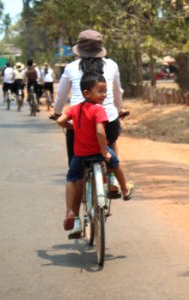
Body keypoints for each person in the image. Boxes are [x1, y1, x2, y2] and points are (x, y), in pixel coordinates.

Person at [55, 72, 134, 235]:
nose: (104, 95)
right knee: (116, 162)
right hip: (98, 152)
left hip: (80, 155)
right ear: (86, 93)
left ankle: (71, 211)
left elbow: (60, 121)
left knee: (72, 178)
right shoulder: (99, 110)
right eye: (100, 91)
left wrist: (74, 127)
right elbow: (100, 132)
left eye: (105, 91)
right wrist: (104, 151)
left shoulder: (75, 109)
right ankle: (125, 190)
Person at [52, 29, 125, 166]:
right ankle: (113, 177)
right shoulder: (112, 65)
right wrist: (119, 110)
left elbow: (61, 95)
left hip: (79, 123)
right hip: (109, 121)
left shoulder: (71, 68)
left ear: (79, 50)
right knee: (112, 138)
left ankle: (76, 180)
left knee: (75, 165)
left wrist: (57, 112)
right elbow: (117, 92)